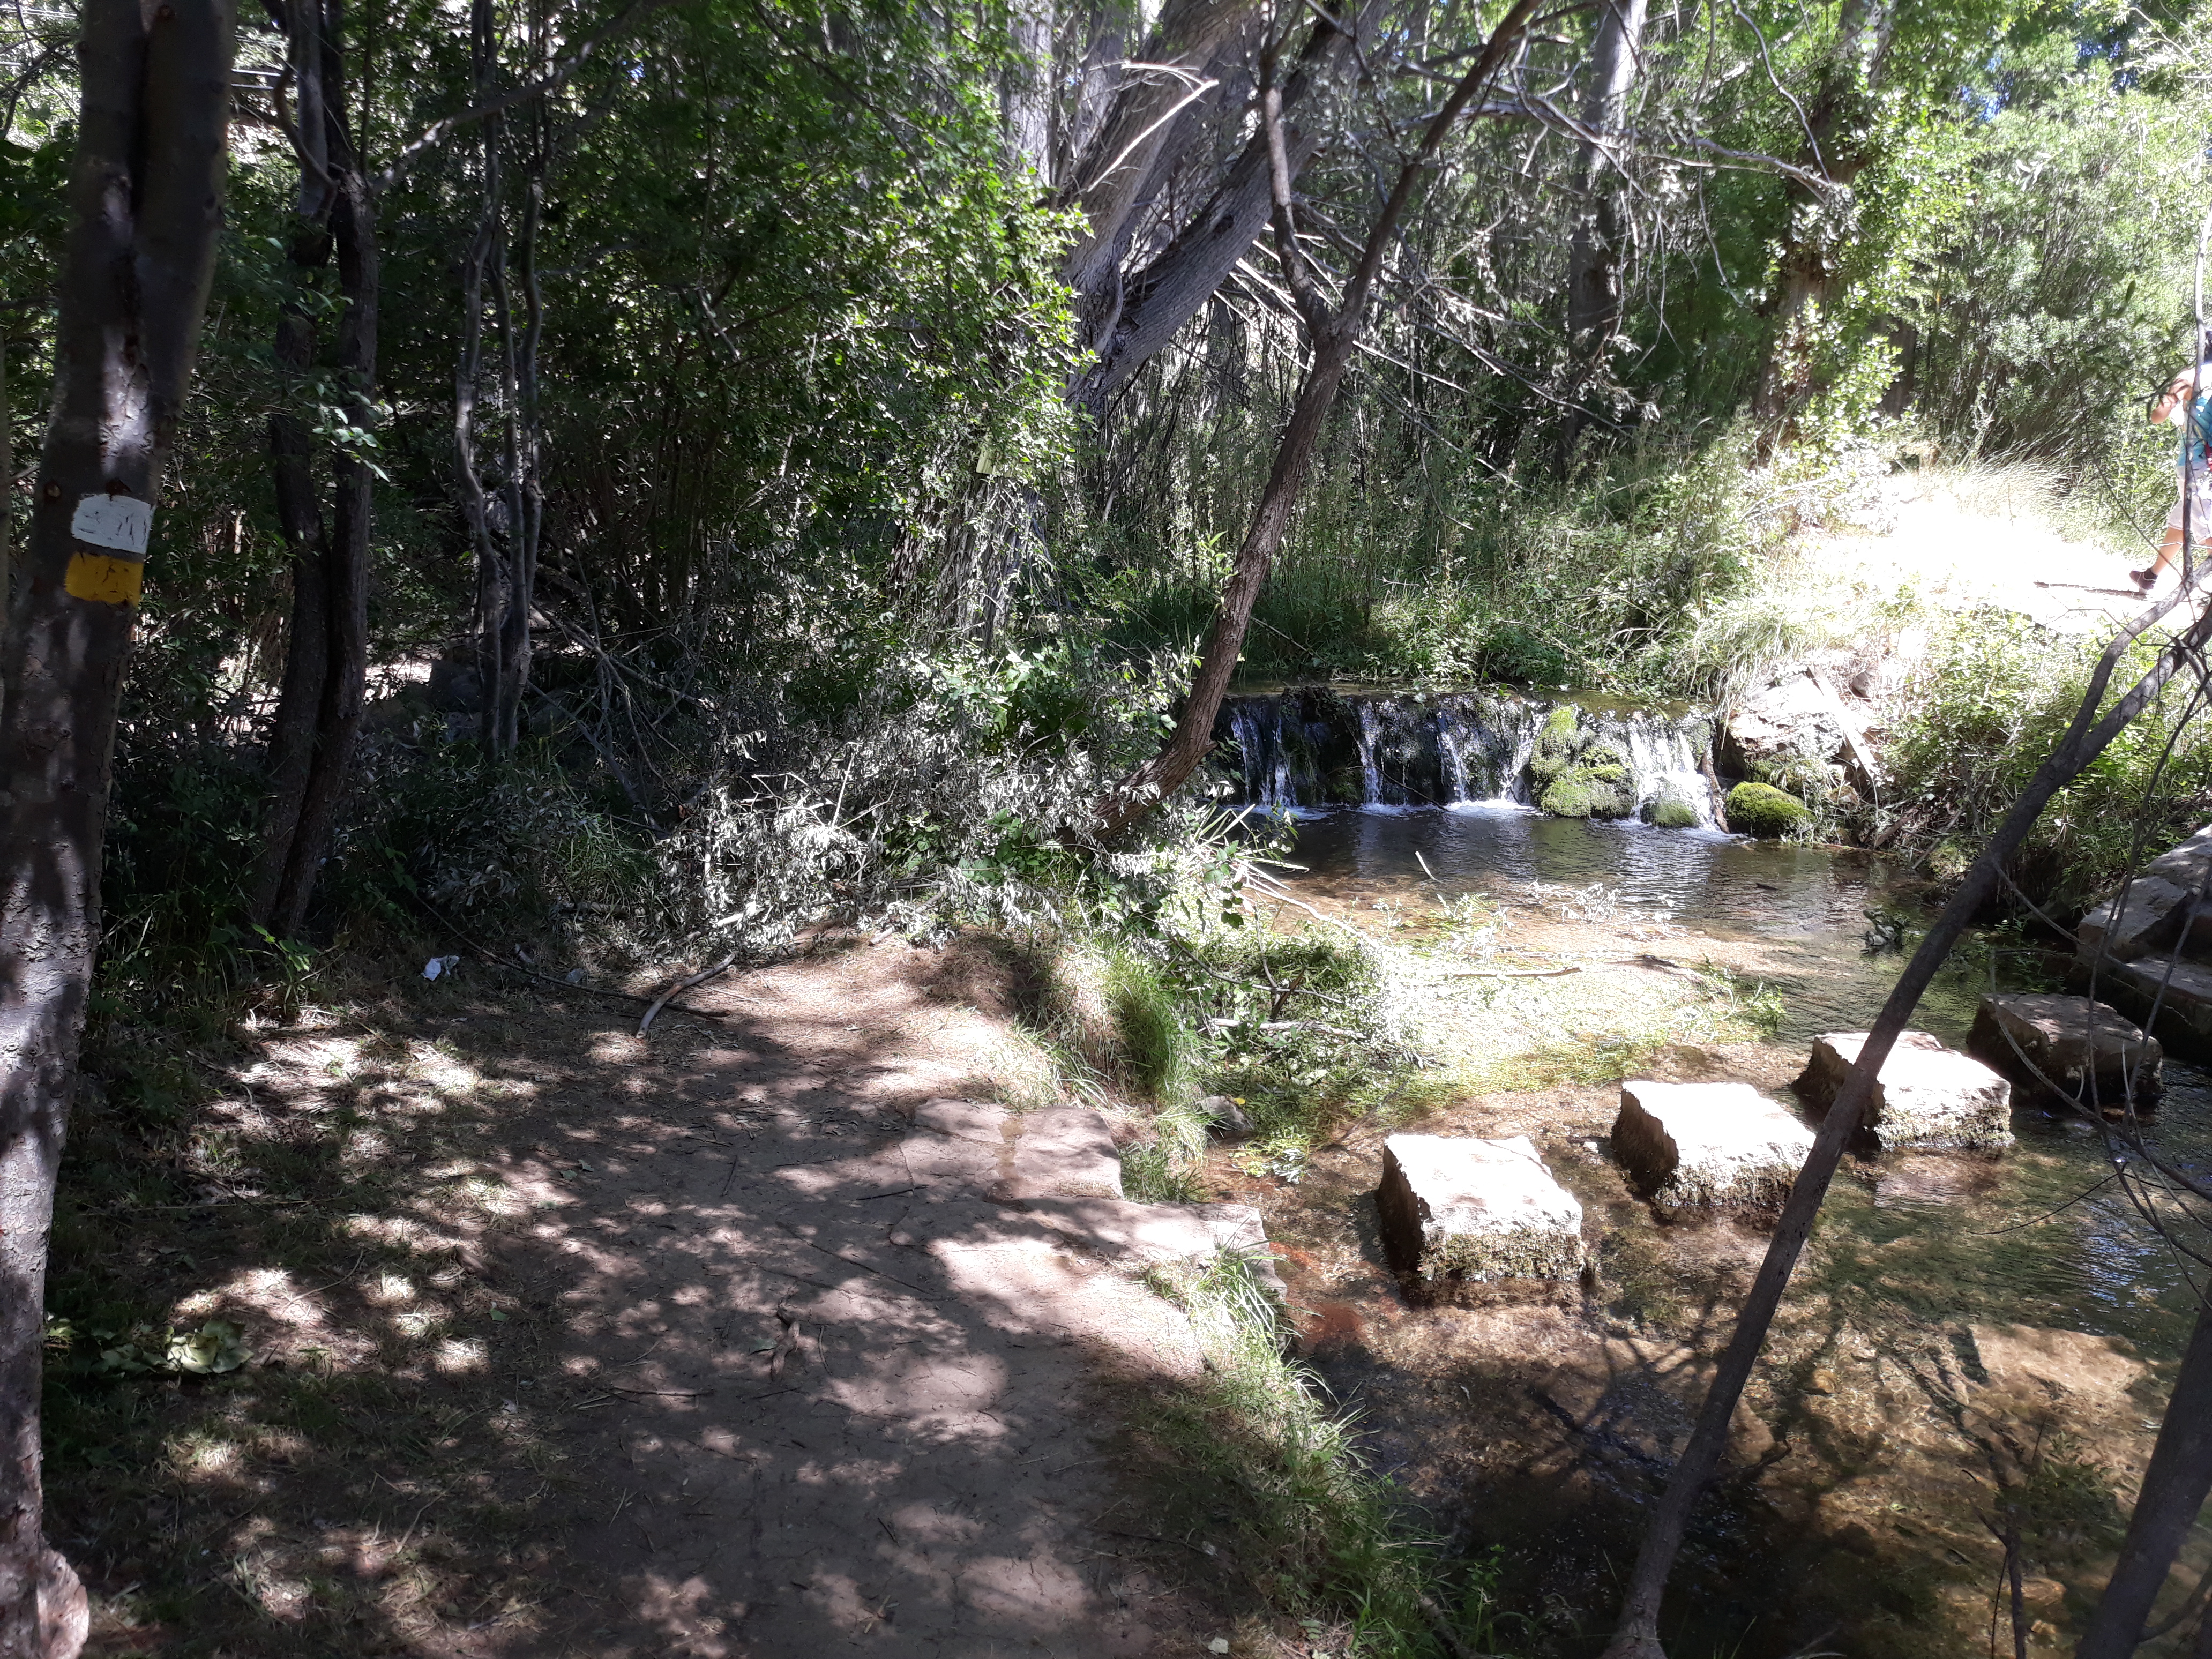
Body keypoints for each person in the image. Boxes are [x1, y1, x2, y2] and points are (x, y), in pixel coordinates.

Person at [2137, 345, 2212, 592]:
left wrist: (2173, 398)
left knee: (2207, 532)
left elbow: (2158, 415)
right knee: (2180, 523)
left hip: (2196, 463)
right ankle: (2150, 577)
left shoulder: (2191, 377)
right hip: (2205, 466)